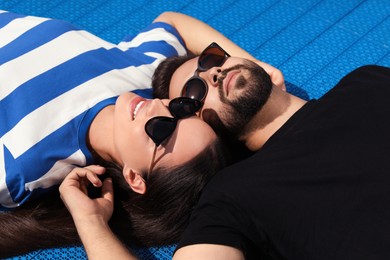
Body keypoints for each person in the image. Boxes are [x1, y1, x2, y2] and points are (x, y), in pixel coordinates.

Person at [63, 45, 390, 259]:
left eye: (212, 58)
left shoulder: (365, 79)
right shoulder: (232, 197)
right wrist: (90, 222)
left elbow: (170, 21)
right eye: (193, 93)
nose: (212, 73)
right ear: (203, 129)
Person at [0, 10, 275, 257]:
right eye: (179, 109)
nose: (158, 106)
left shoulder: (22, 171)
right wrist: (256, 66)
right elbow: (173, 22)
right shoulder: (143, 79)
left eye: (161, 129)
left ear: (133, 176)